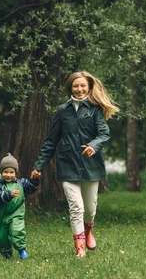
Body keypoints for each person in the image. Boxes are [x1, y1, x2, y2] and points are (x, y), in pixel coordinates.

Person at [31, 71, 118, 258]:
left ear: (89, 87)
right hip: (67, 165)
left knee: (90, 208)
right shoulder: (63, 110)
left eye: (82, 86)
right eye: (75, 86)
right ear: (70, 88)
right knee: (76, 207)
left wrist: (93, 147)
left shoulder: (95, 109)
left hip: (90, 166)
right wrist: (39, 165)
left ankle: (89, 230)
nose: (79, 89)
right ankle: (79, 247)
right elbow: (51, 141)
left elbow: (103, 134)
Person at [0, 153, 40, 260]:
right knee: (0, 237)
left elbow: (31, 188)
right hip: (1, 215)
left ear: (15, 173)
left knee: (17, 230)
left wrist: (34, 179)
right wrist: (9, 194)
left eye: (11, 172)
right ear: (1, 172)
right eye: (5, 172)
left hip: (16, 213)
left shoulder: (21, 183)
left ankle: (22, 250)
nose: (8, 175)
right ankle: (7, 253)